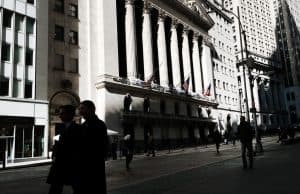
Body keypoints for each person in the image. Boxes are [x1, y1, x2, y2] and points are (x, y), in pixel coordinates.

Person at [47, 105, 82, 194]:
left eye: (62, 113)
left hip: (71, 165)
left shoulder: (78, 129)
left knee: (78, 188)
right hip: (59, 165)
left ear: (70, 114)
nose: (60, 116)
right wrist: (54, 156)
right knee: (55, 188)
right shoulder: (62, 128)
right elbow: (58, 144)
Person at [78, 100, 109, 194]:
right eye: (80, 109)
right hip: (84, 167)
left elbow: (103, 146)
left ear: (91, 109)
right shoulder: (83, 125)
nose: (80, 111)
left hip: (94, 166)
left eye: (82, 108)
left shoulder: (99, 124)